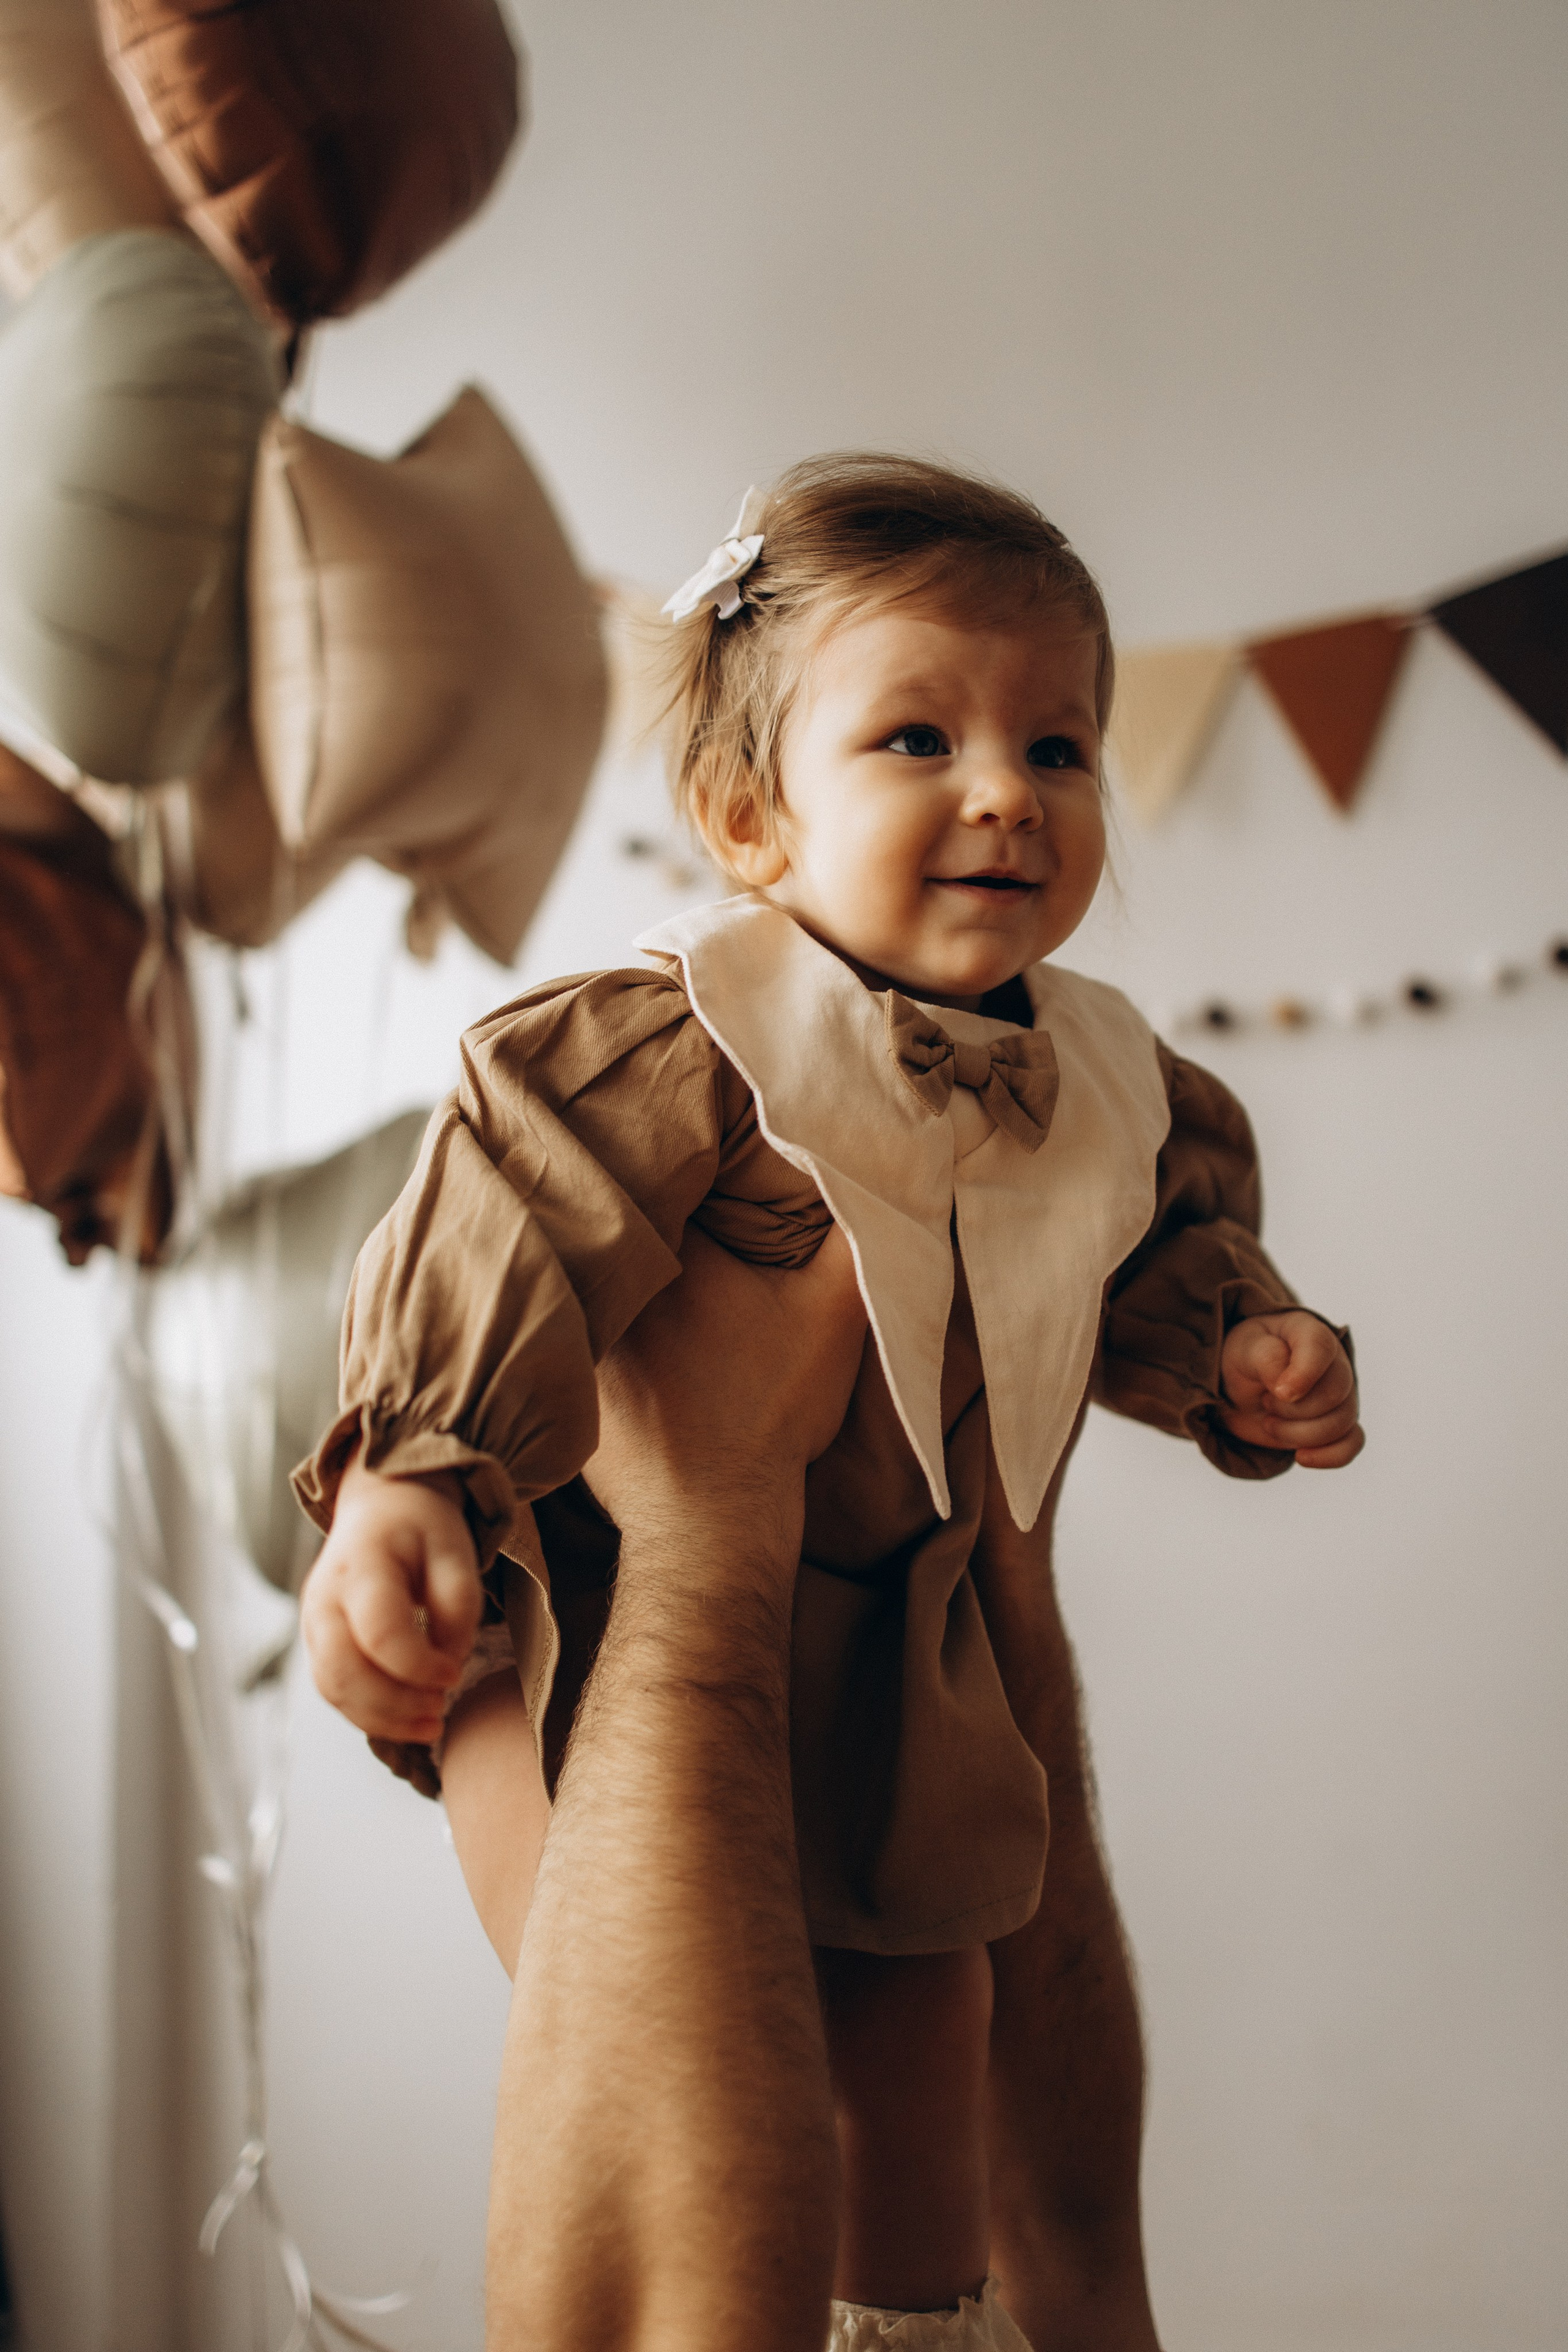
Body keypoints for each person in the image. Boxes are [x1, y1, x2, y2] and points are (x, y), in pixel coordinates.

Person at [297, 453, 1363, 2350]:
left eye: (1060, 749)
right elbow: (504, 1234)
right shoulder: (678, 1042)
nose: (1002, 794)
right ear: (747, 817)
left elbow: (1146, 1252)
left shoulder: (1112, 1084)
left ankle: (916, 2319)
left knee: (929, 2069)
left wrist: (1245, 1348)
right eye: (918, 738)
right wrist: (404, 1482)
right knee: (697, 2073)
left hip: (900, 1667)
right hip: (593, 1639)